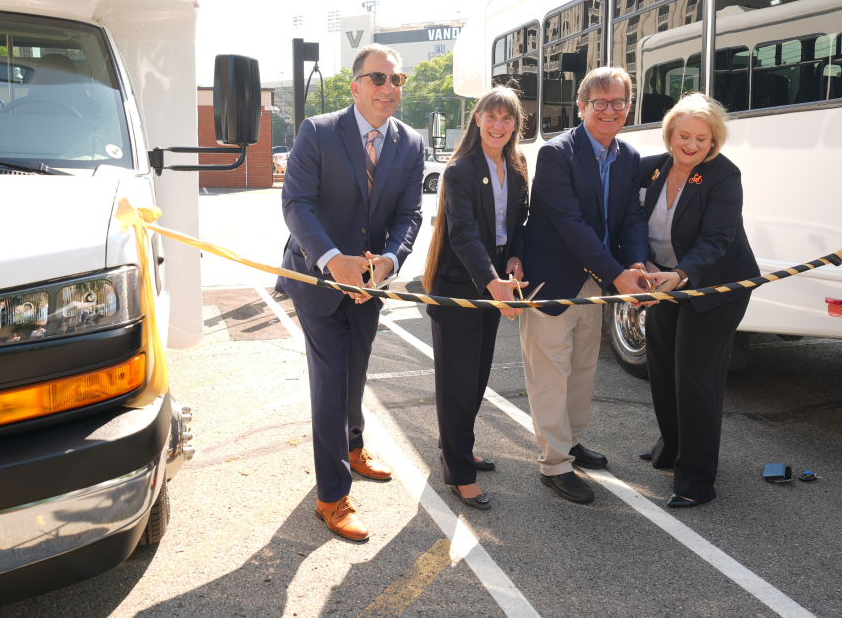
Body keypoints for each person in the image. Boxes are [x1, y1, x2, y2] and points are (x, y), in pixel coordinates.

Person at [278, 43, 424, 541]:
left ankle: (354, 446)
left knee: (357, 368)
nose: (389, 88)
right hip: (317, 277)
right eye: (379, 79)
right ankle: (331, 495)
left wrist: (388, 262)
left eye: (397, 80)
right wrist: (332, 260)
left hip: (370, 283)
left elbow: (409, 216)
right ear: (355, 85)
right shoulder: (318, 132)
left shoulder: (410, 143)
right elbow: (296, 202)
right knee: (331, 379)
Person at [521, 66, 651, 504]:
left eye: (619, 102)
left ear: (628, 107)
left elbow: (631, 218)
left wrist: (633, 263)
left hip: (598, 280)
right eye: (600, 102)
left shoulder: (629, 157)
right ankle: (554, 464)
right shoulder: (557, 154)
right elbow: (570, 225)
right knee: (549, 375)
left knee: (582, 368)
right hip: (554, 280)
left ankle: (572, 443)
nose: (610, 110)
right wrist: (618, 274)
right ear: (582, 107)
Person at [636, 93, 759, 508]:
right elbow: (628, 223)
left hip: (714, 287)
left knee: (694, 376)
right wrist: (641, 270)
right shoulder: (650, 169)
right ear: (670, 133)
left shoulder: (724, 176)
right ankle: (672, 448)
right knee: (661, 365)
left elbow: (717, 239)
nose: (690, 145)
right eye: (683, 135)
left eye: (701, 139)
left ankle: (696, 480)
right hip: (664, 283)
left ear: (713, 143)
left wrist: (681, 275)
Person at [422, 86, 529, 511]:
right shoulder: (460, 170)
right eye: (491, 117)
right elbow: (463, 233)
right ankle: (459, 472)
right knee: (457, 383)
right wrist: (492, 281)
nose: (498, 125)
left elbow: (519, 222)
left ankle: (460, 449)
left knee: (478, 377)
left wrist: (517, 256)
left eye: (507, 119)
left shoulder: (518, 167)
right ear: (477, 119)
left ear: (515, 125)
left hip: (494, 282)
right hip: (461, 287)